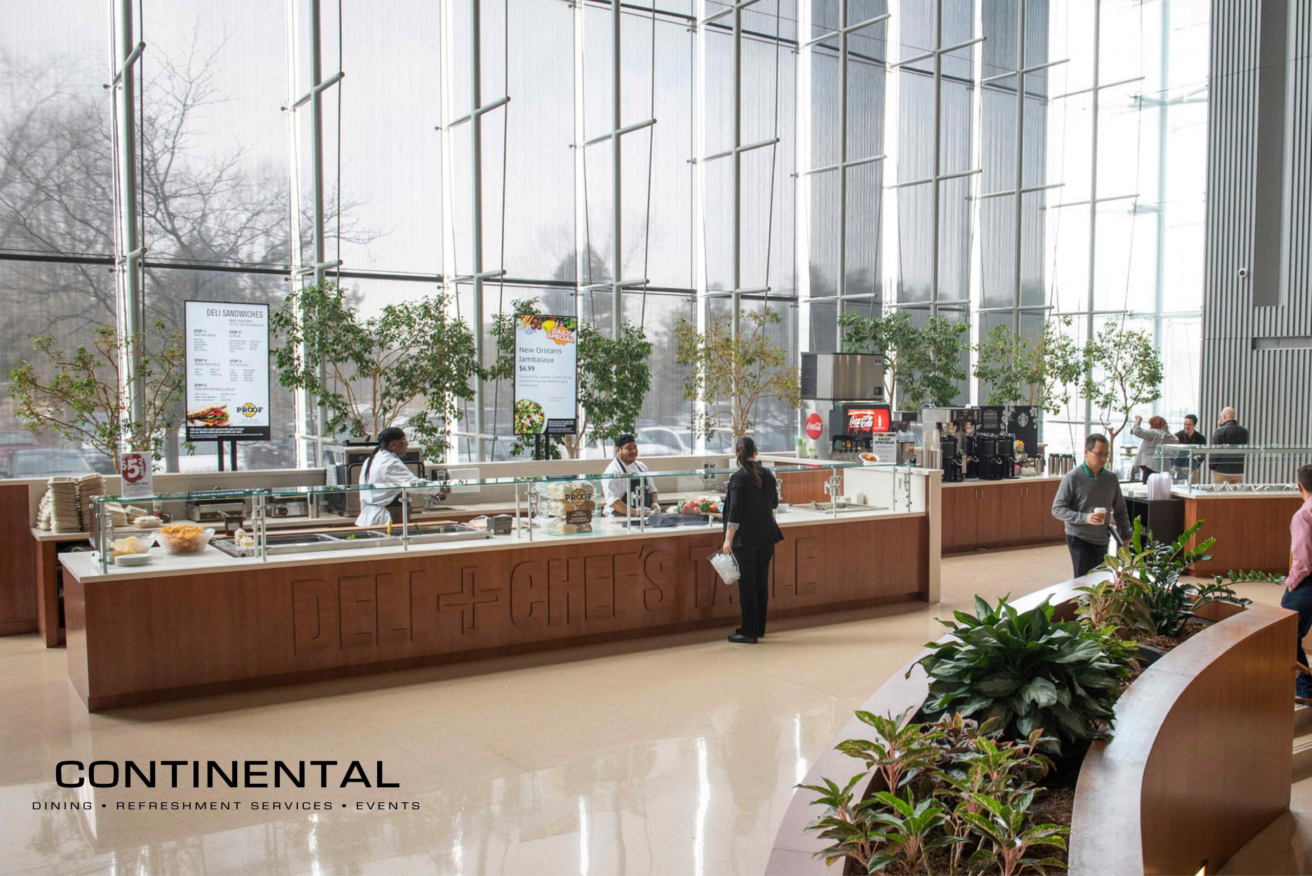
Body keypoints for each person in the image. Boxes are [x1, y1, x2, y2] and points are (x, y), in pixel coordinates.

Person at [720, 436, 783, 644]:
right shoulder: (767, 473)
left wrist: (728, 539)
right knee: (760, 583)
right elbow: (774, 503)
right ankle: (759, 627)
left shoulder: (738, 478)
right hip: (766, 536)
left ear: (737, 454)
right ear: (755, 452)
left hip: (745, 539)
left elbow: (735, 511)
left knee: (747, 586)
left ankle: (748, 631)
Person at [1051, 433, 1132, 578]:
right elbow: (1057, 509)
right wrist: (1085, 518)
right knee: (1083, 580)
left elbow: (1120, 509)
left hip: (1101, 537)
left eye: (1106, 454)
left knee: (1100, 579)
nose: (1103, 459)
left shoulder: (1111, 478)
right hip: (1078, 537)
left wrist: (1126, 535)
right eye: (1099, 454)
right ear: (1086, 452)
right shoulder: (1073, 477)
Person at [355, 428, 438, 527]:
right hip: (385, 517)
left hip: (370, 516)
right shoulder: (389, 463)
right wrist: (438, 488)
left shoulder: (373, 459)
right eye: (404, 441)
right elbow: (413, 484)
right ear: (393, 445)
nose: (407, 445)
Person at [1279, 465, 1312, 700]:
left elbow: (1302, 559)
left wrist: (1291, 583)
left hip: (1307, 583)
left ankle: (1305, 689)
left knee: (1286, 632)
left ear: (1299, 486)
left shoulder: (1303, 515)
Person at [602, 434, 660, 517]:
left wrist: (655, 503)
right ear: (618, 450)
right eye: (629, 448)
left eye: (635, 447)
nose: (633, 451)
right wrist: (636, 512)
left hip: (645, 515)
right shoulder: (612, 472)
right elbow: (614, 502)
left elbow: (652, 489)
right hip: (620, 517)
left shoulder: (641, 466)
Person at [1130, 415, 1178, 484]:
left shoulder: (1154, 433)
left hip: (1150, 466)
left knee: (1148, 488)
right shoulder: (1171, 437)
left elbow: (1136, 431)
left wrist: (1139, 420)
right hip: (1164, 468)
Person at [1209, 406, 1249, 485]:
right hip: (1238, 470)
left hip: (1222, 471)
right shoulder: (1244, 431)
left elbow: (1215, 452)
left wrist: (1211, 466)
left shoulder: (1220, 431)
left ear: (1224, 416)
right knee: (1235, 496)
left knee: (1221, 496)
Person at [1173, 414, 1207, 481]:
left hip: (1193, 468)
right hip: (1178, 467)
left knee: (1193, 489)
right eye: (1185, 424)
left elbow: (1202, 455)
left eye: (1189, 425)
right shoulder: (1177, 436)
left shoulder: (1201, 439)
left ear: (1194, 425)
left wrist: (1194, 467)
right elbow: (1172, 452)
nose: (1186, 426)